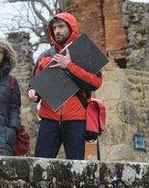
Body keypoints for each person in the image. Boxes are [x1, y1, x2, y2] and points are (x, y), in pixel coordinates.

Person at [28, 12, 103, 160]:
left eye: (61, 26)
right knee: (41, 164)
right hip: (48, 118)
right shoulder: (45, 56)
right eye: (54, 27)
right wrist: (32, 91)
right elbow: (35, 83)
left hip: (76, 119)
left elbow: (95, 82)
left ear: (71, 28)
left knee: (76, 168)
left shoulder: (85, 52)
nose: (57, 31)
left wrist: (68, 65)